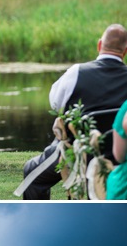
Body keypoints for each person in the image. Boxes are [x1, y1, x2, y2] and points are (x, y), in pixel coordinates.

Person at [19, 24, 127, 199]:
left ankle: (38, 222)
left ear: (99, 45)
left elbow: (55, 104)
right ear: (125, 51)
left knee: (32, 173)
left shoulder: (77, 72)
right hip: (120, 154)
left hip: (78, 152)